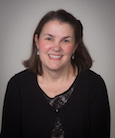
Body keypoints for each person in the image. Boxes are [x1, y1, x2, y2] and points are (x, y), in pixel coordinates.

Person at [0, 9, 110, 138]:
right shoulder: (17, 85)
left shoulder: (94, 85)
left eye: (65, 40)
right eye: (49, 38)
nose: (56, 47)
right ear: (37, 41)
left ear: (75, 46)